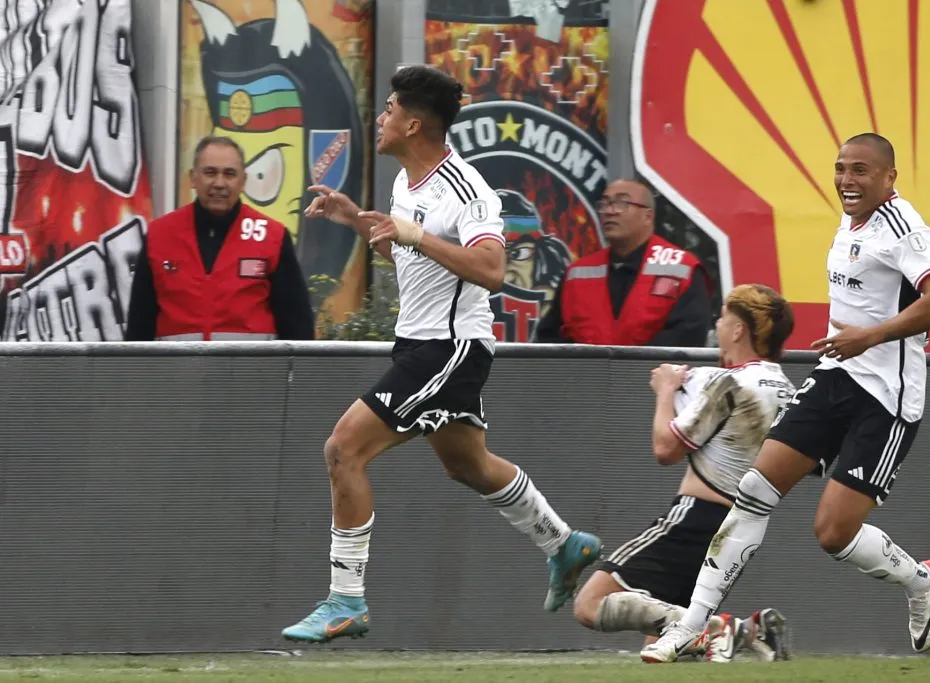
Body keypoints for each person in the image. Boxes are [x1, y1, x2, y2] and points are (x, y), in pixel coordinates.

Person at [279, 65, 602, 643]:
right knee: (468, 465)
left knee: (341, 450)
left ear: (414, 121)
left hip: (448, 349)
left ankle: (345, 600)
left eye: (389, 109)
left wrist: (412, 235)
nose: (381, 118)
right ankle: (564, 542)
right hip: (424, 343)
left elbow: (491, 270)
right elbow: (417, 254)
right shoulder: (407, 184)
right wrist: (356, 219)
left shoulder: (468, 189)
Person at [641, 133, 930, 663]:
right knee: (754, 492)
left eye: (860, 171)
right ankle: (690, 626)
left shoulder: (905, 228)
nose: (847, 181)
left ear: (889, 178)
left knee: (833, 533)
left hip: (886, 398)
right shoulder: (850, 218)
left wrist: (871, 335)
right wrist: (852, 343)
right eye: (840, 169)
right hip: (836, 375)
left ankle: (920, 580)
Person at [572, 283, 796, 663]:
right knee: (659, 649)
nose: (718, 324)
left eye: (724, 317)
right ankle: (752, 632)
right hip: (740, 528)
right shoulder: (788, 391)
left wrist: (665, 391)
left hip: (694, 519)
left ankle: (724, 628)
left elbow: (666, 449)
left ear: (740, 329)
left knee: (591, 602)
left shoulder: (729, 382)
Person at [126, 136, 314, 341]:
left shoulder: (272, 237)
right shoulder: (159, 235)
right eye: (210, 172)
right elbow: (139, 325)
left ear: (243, 181)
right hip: (178, 373)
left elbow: (298, 326)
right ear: (193, 178)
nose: (219, 183)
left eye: (230, 174)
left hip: (253, 373)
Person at [532, 179, 712, 348]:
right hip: (586, 378)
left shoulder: (682, 269)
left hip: (654, 379)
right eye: (605, 204)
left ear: (648, 216)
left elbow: (688, 337)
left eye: (622, 203)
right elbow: (549, 338)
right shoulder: (578, 273)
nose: (610, 211)